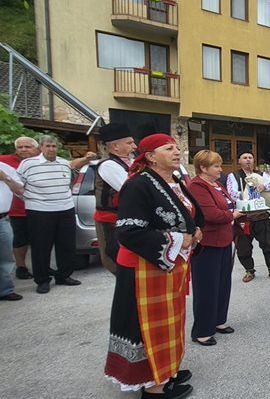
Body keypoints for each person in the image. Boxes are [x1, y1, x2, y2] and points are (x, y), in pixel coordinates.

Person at [105, 133, 202, 399]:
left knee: (171, 322)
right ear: (150, 156)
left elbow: (187, 214)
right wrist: (177, 239)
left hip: (169, 266)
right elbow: (129, 232)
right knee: (151, 326)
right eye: (169, 148)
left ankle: (167, 370)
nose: (177, 152)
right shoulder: (138, 185)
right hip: (144, 269)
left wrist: (195, 231)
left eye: (177, 147)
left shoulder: (175, 180)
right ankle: (152, 387)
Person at [9, 136, 96, 294]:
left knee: (66, 245)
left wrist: (86, 158)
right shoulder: (28, 164)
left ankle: (64, 276)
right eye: (48, 146)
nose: (51, 149)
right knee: (41, 247)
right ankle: (42, 280)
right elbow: (18, 185)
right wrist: (27, 198)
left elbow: (73, 168)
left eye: (54, 146)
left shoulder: (63, 163)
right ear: (40, 147)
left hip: (65, 209)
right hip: (40, 211)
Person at [188, 150, 241, 346]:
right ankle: (202, 330)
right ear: (203, 167)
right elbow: (213, 215)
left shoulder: (217, 185)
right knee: (206, 287)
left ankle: (218, 321)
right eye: (216, 166)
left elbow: (228, 206)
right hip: (207, 244)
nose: (221, 169)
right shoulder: (196, 186)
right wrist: (234, 215)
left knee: (222, 284)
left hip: (225, 241)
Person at [226, 152, 270, 283]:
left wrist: (264, 186)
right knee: (243, 247)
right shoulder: (233, 176)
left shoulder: (262, 175)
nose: (248, 160)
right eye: (244, 158)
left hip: (261, 217)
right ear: (239, 160)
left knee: (269, 245)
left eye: (250, 158)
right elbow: (232, 193)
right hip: (243, 219)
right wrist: (250, 193)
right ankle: (249, 271)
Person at [93, 123, 137, 275]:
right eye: (129, 143)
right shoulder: (108, 165)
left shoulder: (131, 162)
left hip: (126, 219)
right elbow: (131, 189)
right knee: (115, 259)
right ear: (115, 146)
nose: (134, 146)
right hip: (110, 221)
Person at [0, 136, 40, 280]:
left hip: (41, 208)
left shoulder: (43, 160)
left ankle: (42, 267)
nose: (23, 150)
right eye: (20, 147)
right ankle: (21, 267)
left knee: (40, 240)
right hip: (17, 210)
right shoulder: (5, 161)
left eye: (27, 147)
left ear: (37, 148)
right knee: (19, 240)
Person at [0, 161, 23, 301]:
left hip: (2, 219)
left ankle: (6, 290)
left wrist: (6, 178)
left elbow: (20, 190)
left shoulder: (6, 168)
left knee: (6, 258)